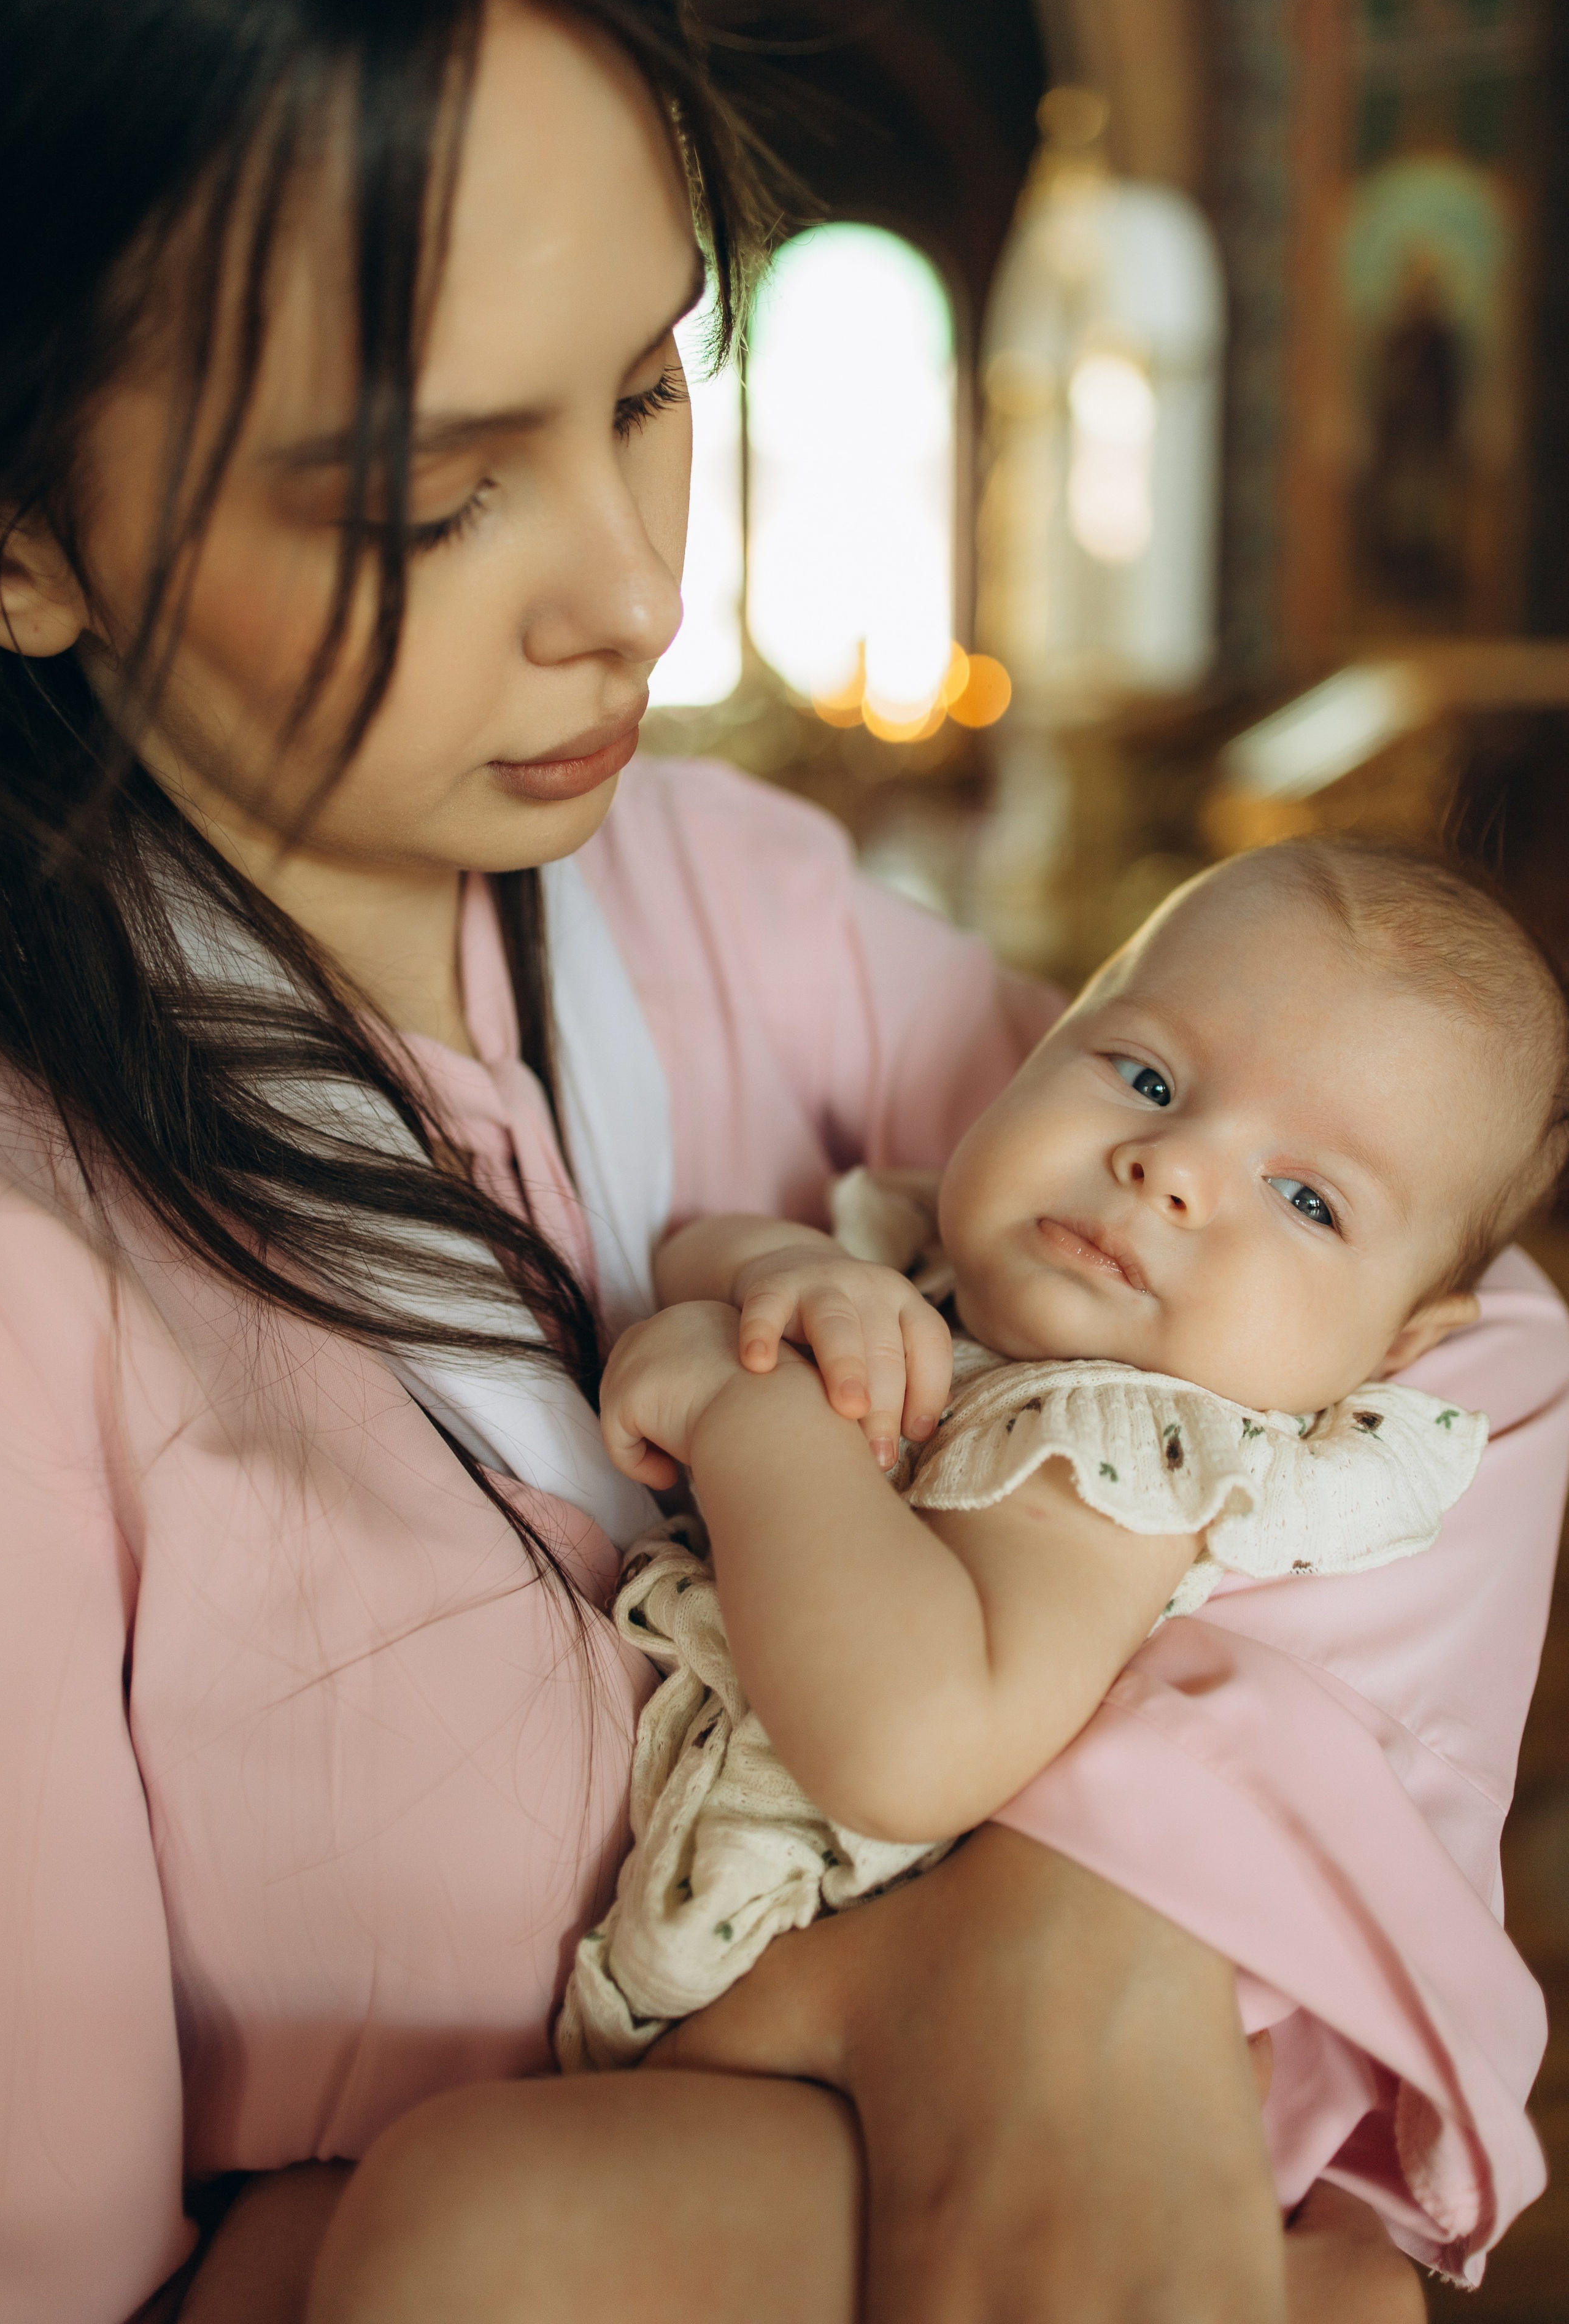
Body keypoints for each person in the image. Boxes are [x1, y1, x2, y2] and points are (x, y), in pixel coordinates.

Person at [0, 0, 1549, 2320]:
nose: (632, 590)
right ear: (27, 532)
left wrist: (1089, 1915)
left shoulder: (727, 902)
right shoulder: (43, 1274)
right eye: (431, 493)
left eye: (652, 392)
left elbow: (1440, 1346)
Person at [570, 842, 1557, 2062]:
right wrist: (779, 1272)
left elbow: (906, 1745)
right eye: (1143, 1076)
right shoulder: (922, 1262)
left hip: (828, 2068)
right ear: (1037, 1053)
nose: (1171, 1167)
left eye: (1304, 1199)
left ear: (1392, 1345)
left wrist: (751, 1410)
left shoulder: (1119, 1459)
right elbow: (686, 1253)